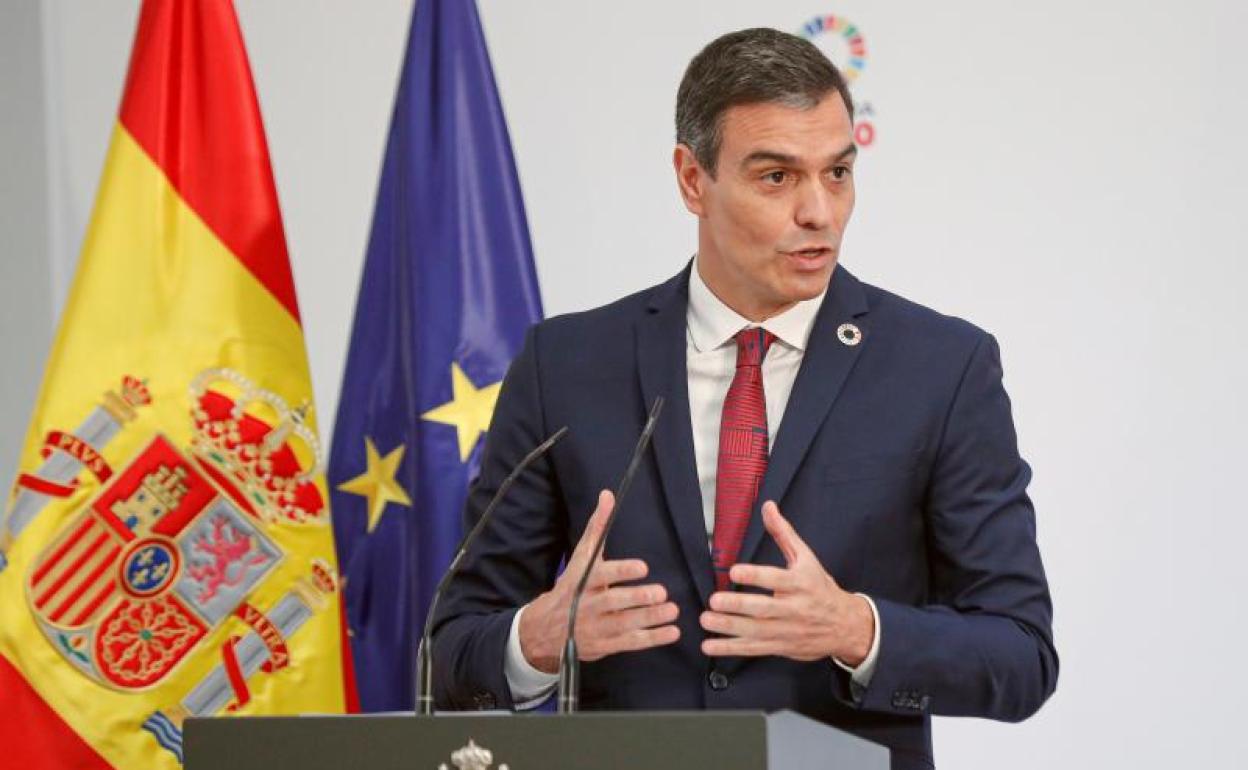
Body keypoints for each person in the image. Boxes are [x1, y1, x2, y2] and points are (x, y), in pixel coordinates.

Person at [432, 27, 1057, 769]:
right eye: (777, 177)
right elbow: (450, 650)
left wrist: (856, 629)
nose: (820, 212)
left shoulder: (942, 368)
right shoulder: (565, 365)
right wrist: (535, 641)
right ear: (692, 180)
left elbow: (1021, 655)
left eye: (838, 172)